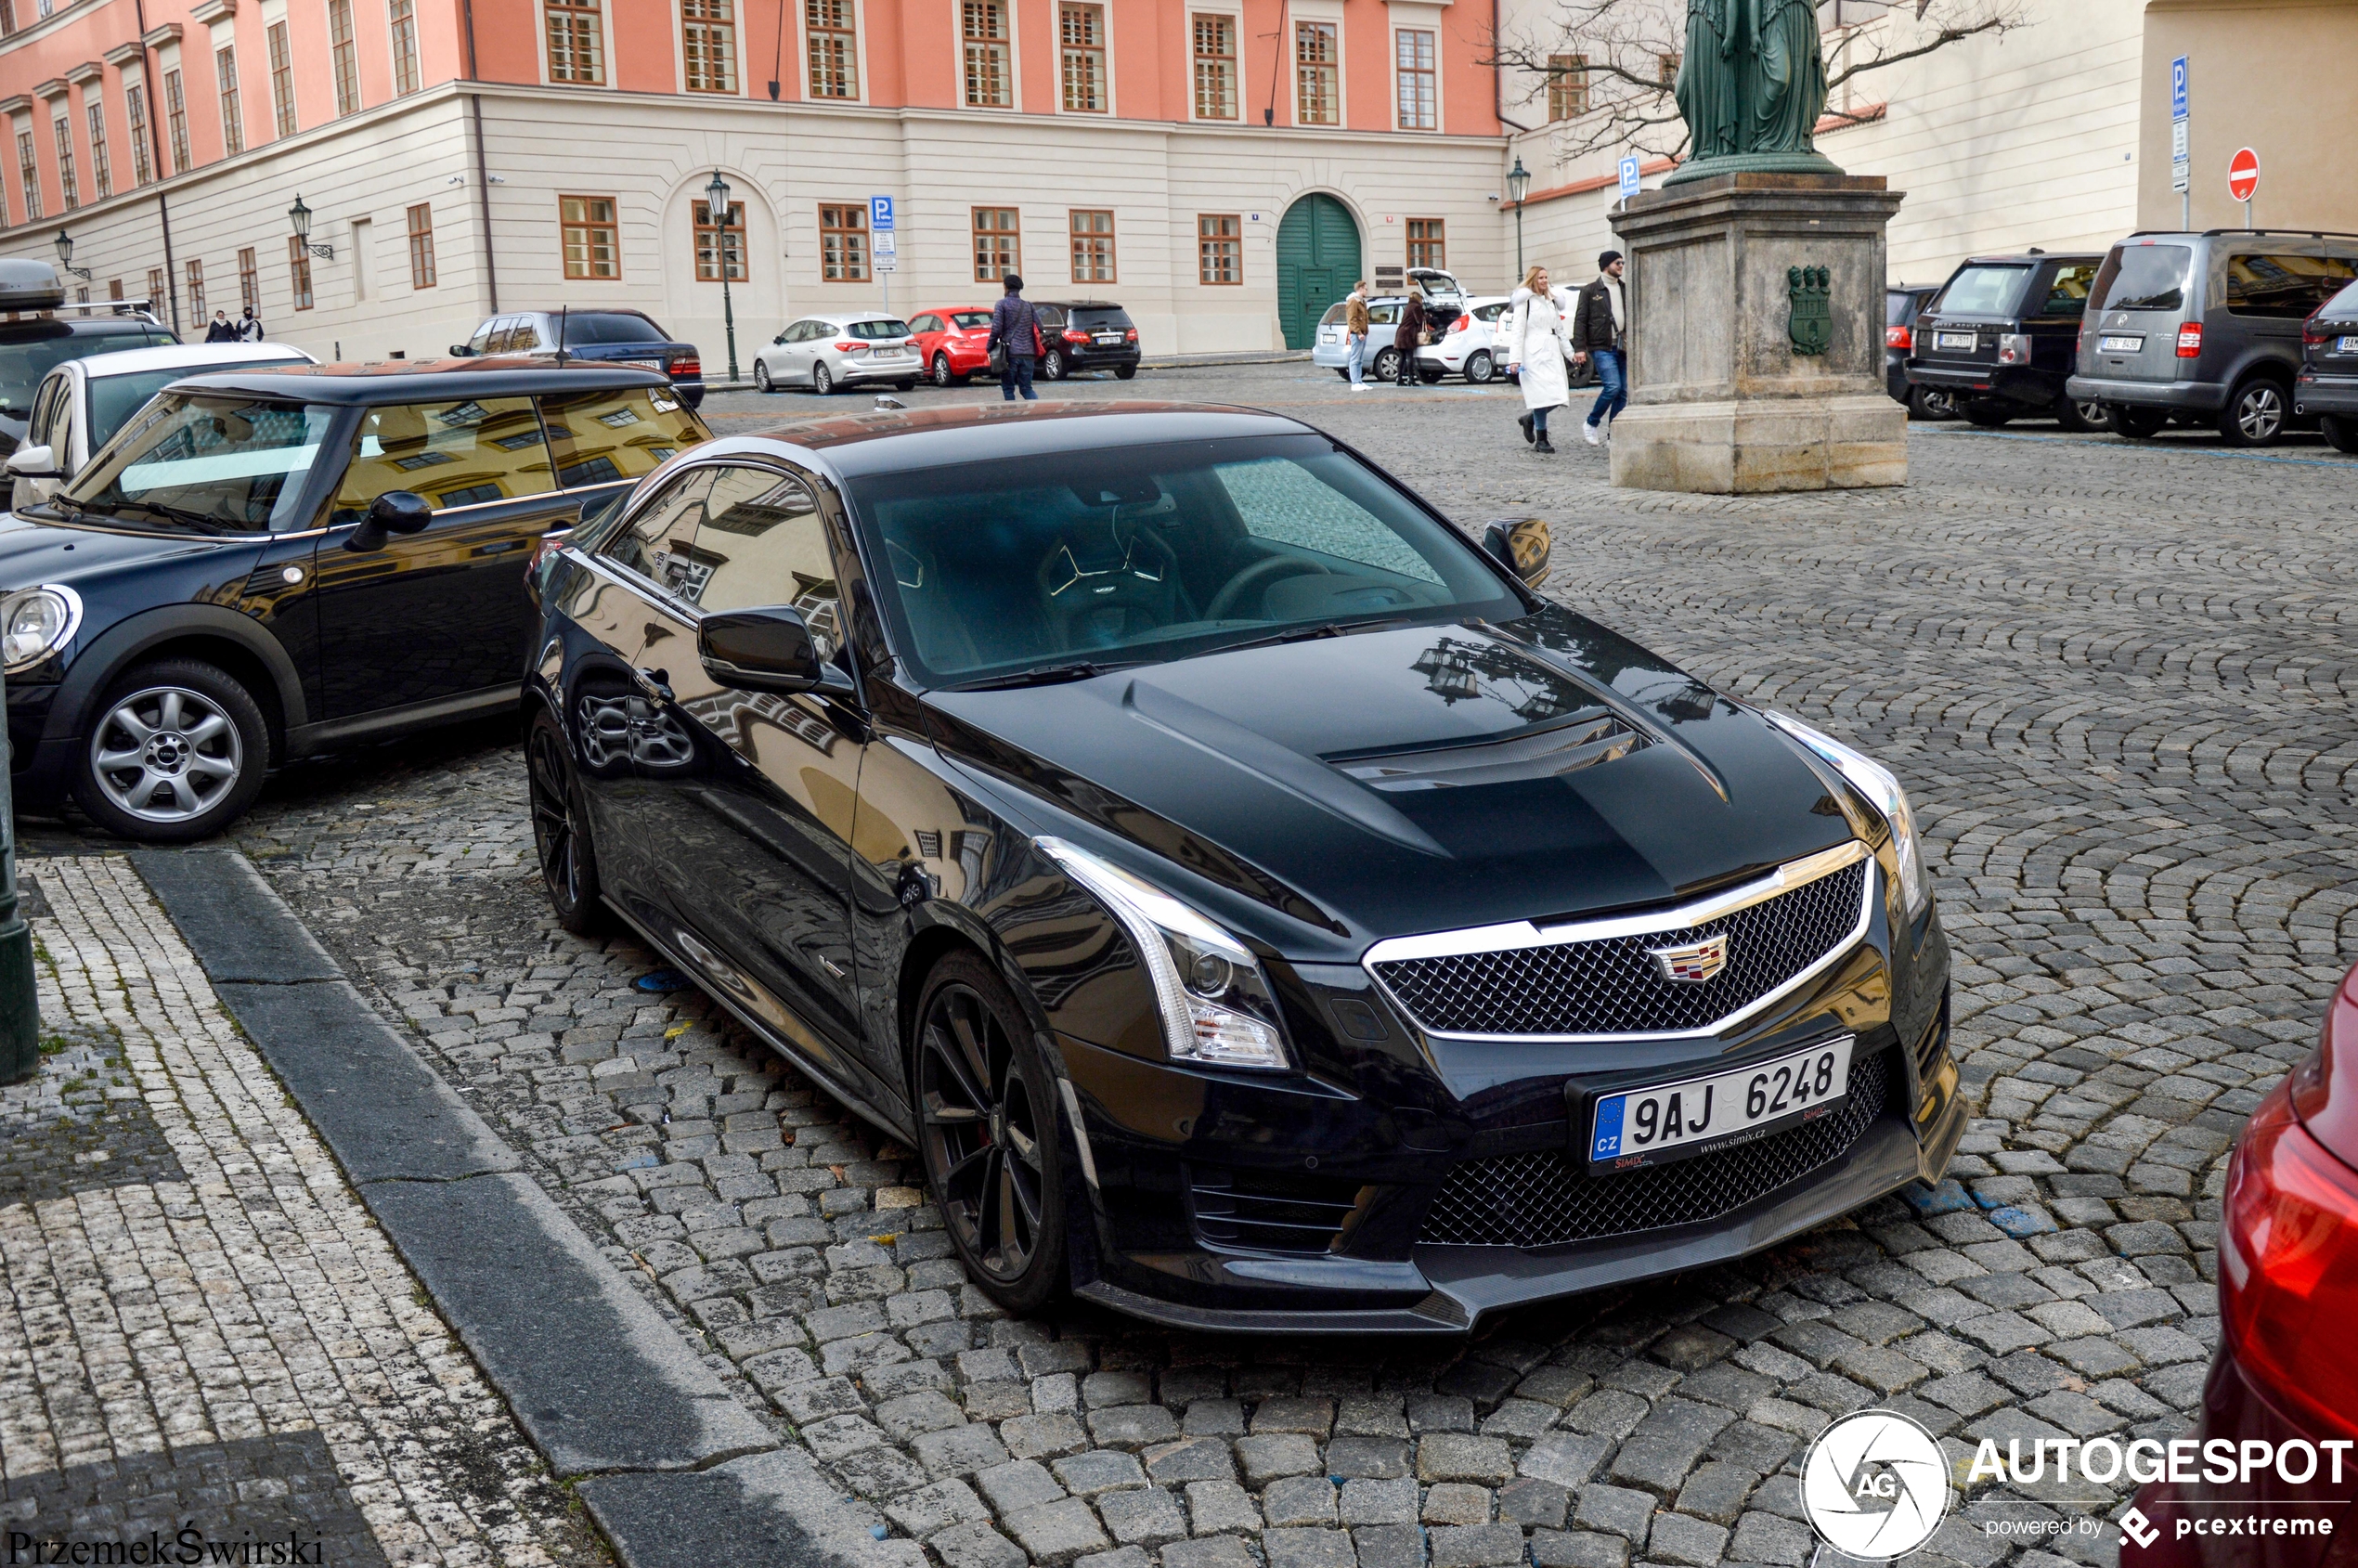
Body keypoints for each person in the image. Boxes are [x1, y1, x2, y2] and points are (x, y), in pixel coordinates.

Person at [1500, 264, 1574, 453]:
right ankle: (1541, 439)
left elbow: (1559, 330)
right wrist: (1514, 360)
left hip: (1551, 352)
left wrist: (1571, 354)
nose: (1544, 281)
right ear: (1533, 279)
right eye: (1540, 278)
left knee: (1558, 395)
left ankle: (1530, 419)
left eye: (1546, 278)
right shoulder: (1525, 302)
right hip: (1532, 353)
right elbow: (1518, 331)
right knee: (1540, 396)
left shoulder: (1551, 301)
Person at [1570, 251, 1627, 445]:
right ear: (1606, 265)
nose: (1621, 265)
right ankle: (1591, 423)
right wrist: (1579, 348)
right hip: (1601, 347)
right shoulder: (1591, 290)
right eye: (1617, 262)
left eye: (1622, 262)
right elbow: (1580, 320)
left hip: (1623, 347)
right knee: (1613, 387)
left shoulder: (1624, 288)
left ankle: (1614, 435)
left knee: (1623, 392)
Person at [988, 274, 1043, 401]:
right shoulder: (1028, 305)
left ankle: (1011, 415)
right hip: (1028, 354)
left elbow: (996, 329)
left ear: (1005, 287)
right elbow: (1039, 326)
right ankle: (1037, 413)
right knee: (1027, 389)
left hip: (1010, 354)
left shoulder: (1001, 305)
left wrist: (989, 347)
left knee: (1008, 388)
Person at [1393, 287, 1426, 388]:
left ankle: (1399, 378)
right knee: (1409, 357)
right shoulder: (1416, 307)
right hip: (1407, 334)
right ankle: (1410, 379)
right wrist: (1427, 316)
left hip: (1401, 333)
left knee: (1401, 357)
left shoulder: (1408, 306)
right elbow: (1419, 321)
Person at [1343, 281, 1371, 390]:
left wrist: (1365, 331)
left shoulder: (1362, 301)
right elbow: (1352, 319)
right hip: (1357, 334)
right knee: (1355, 358)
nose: (1366, 291)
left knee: (1360, 359)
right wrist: (1358, 332)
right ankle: (1355, 382)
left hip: (1363, 333)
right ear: (1360, 289)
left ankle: (1359, 380)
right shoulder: (1353, 301)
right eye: (1365, 289)